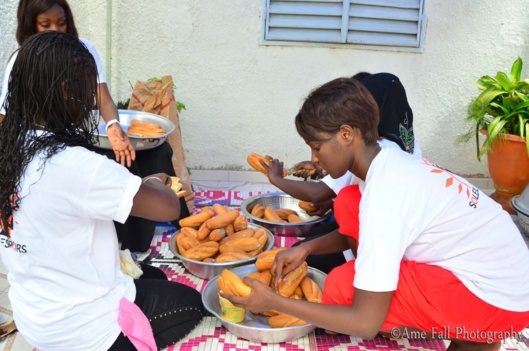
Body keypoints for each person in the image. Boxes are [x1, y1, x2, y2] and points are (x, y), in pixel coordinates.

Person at [223, 77, 529, 350]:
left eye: (317, 147)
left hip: (501, 301)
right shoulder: (384, 158)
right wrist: (307, 247)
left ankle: (477, 334)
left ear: (346, 134)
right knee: (348, 202)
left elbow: (364, 323)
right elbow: (354, 227)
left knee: (343, 289)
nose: (314, 159)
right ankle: (476, 331)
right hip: (506, 273)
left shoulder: (386, 197)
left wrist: (274, 301)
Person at [0, 31, 204, 351]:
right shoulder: (74, 165)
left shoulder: (9, 149)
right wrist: (155, 180)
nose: (92, 99)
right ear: (68, 92)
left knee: (156, 277)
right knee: (191, 302)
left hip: (34, 315)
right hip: (84, 330)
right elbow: (167, 209)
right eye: (86, 88)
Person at [0, 0, 190, 256]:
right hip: (47, 151)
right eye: (45, 24)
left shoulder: (81, 51)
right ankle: (126, 237)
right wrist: (154, 181)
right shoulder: (22, 62)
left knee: (146, 154)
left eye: (61, 22)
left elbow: (104, 99)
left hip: (35, 282)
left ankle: (134, 241)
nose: (55, 29)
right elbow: (167, 206)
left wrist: (113, 126)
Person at [263, 72, 422, 273]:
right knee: (309, 241)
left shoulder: (376, 157)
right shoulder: (401, 146)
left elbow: (318, 193)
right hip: (367, 235)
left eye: (317, 148)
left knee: (315, 257)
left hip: (385, 257)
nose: (313, 158)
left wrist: (276, 179)